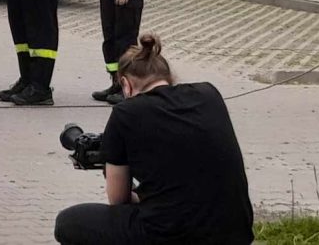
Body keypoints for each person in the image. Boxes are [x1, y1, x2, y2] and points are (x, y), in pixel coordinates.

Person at [54, 34, 254, 245]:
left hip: (173, 234)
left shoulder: (126, 113)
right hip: (235, 233)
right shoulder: (209, 93)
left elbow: (118, 200)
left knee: (69, 222)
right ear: (168, 77)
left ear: (125, 84)